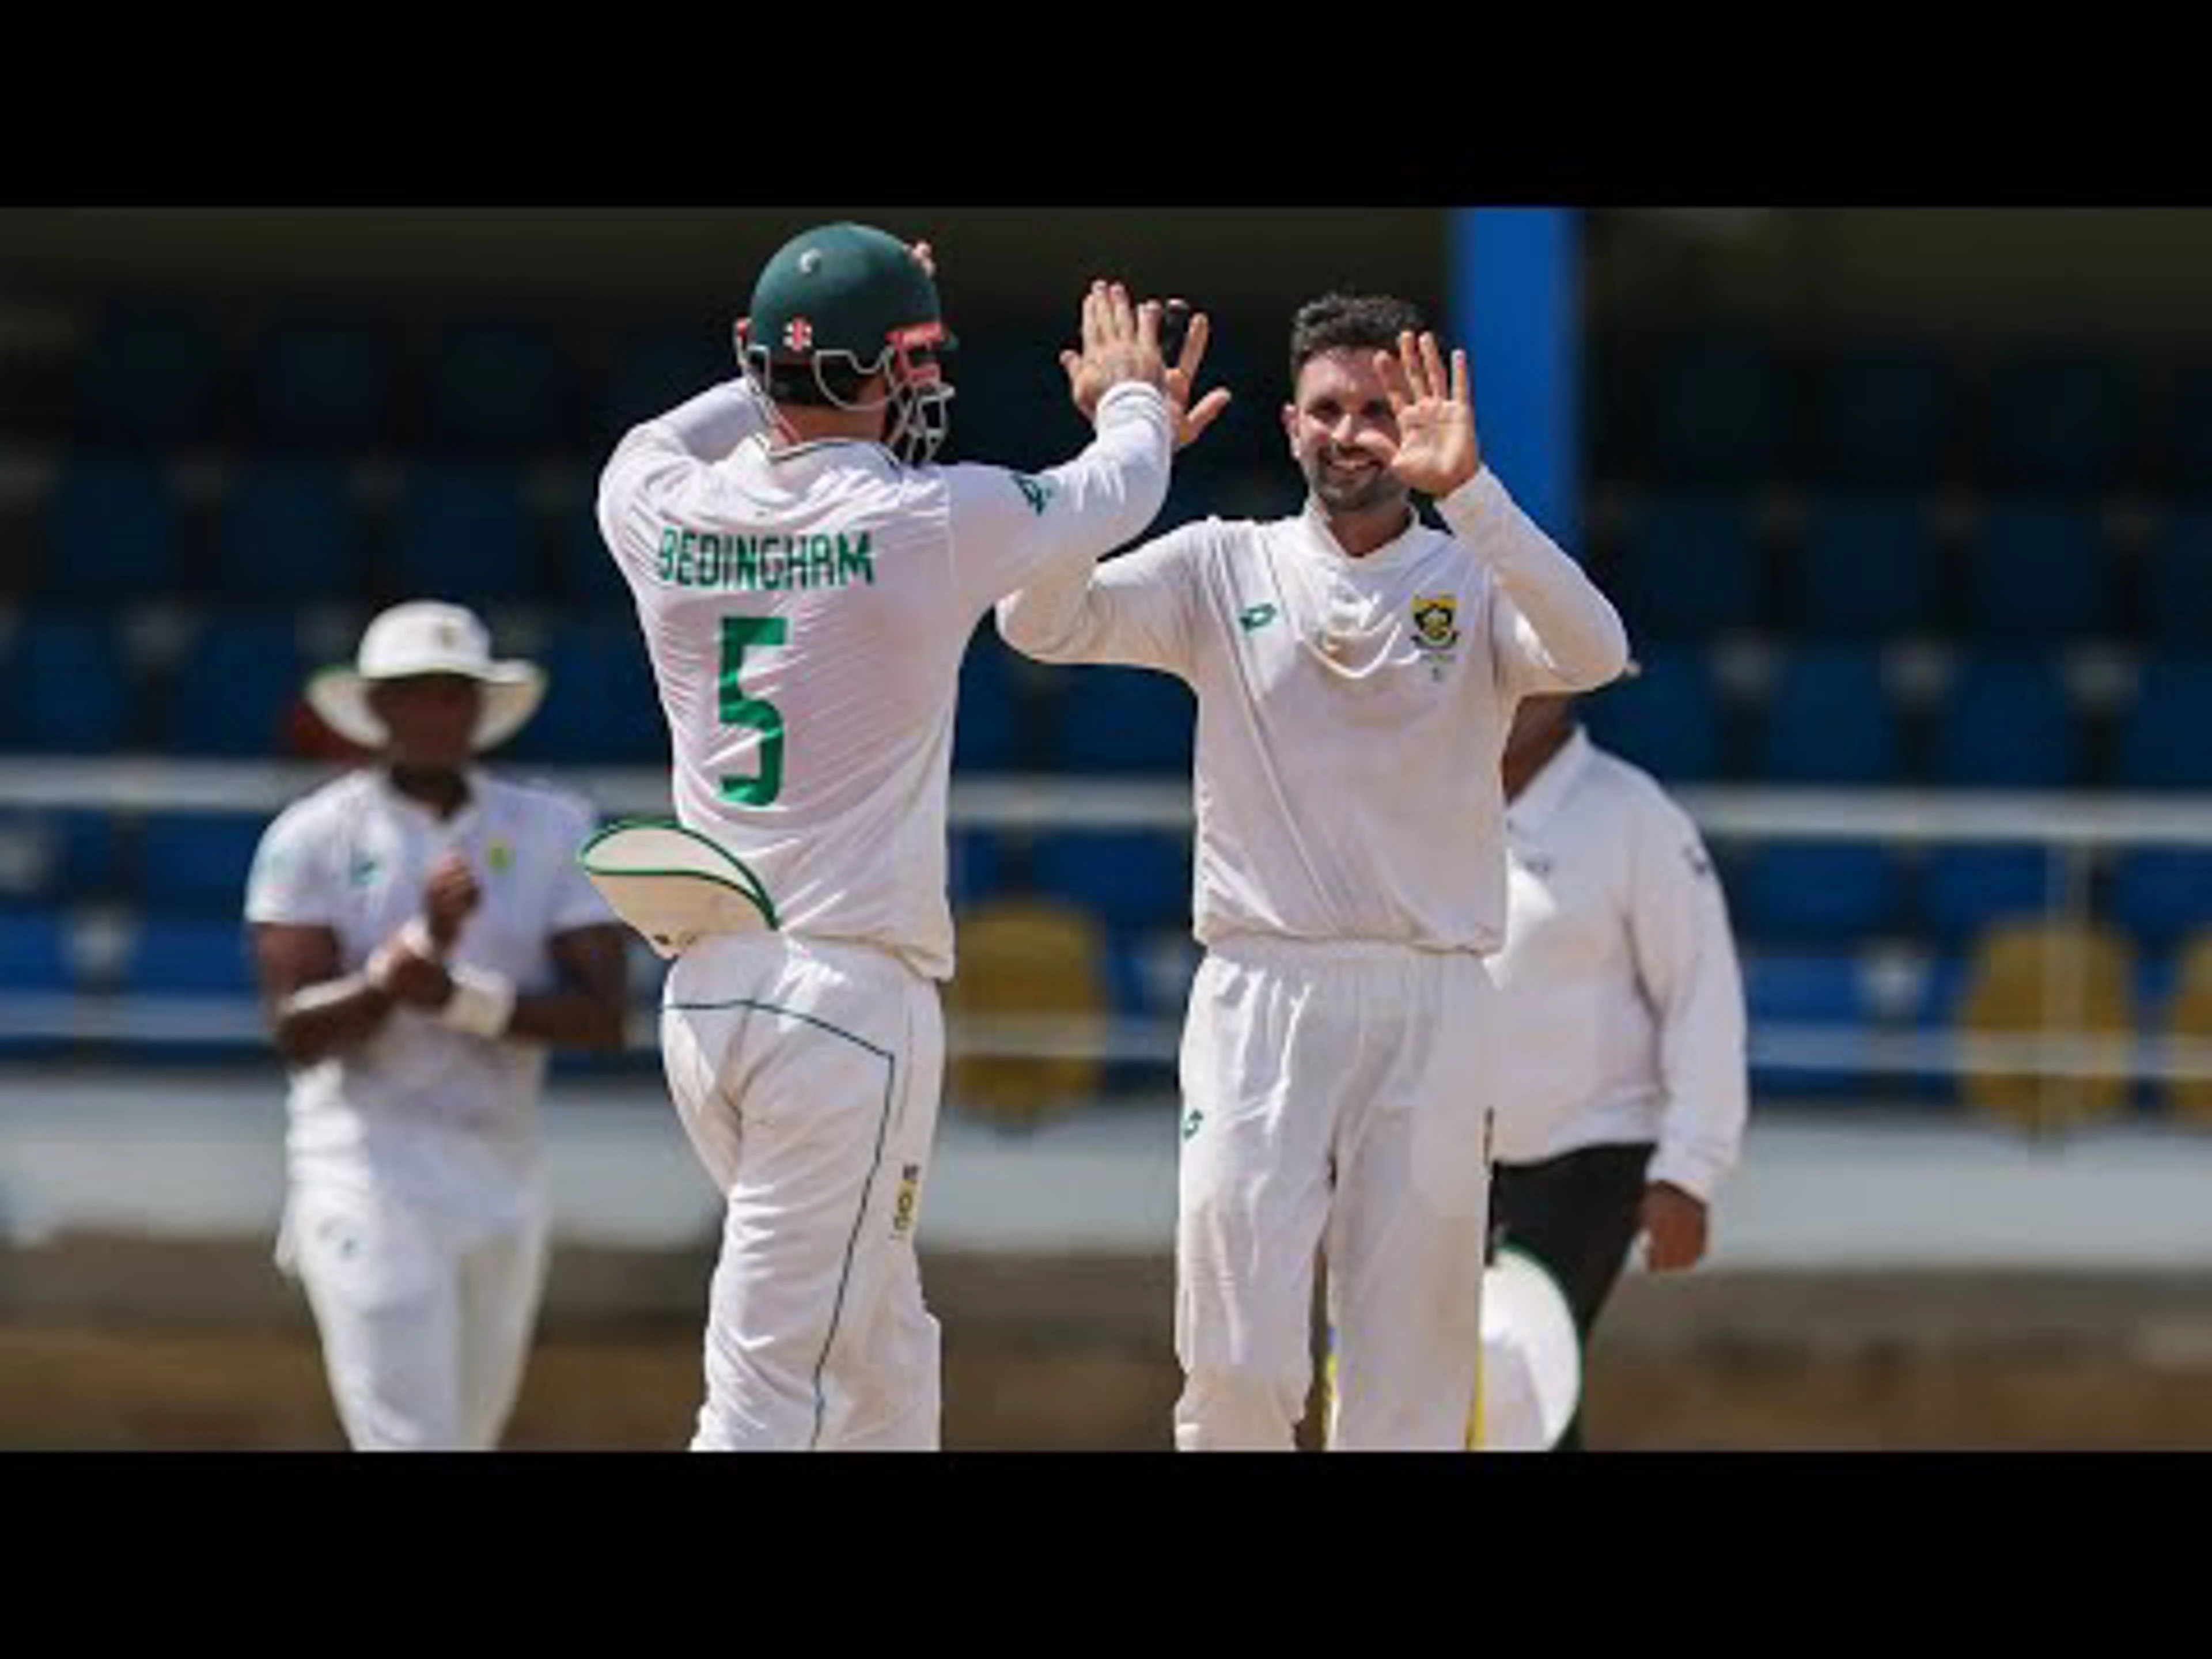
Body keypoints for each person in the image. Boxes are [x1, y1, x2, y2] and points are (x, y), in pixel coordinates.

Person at [591, 221, 1208, 1450]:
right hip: (844, 1001)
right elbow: (1122, 488)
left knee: (880, 1348)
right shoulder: (928, 517)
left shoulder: (651, 505)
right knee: (770, 1388)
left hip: (708, 995)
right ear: (887, 376)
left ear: (750, 361)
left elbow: (673, 432)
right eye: (910, 366)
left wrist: (805, 350)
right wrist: (1133, 394)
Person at [997, 291, 1632, 1450]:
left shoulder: (1474, 576)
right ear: (1292, 426)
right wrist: (1116, 456)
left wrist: (1473, 495)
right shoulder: (1217, 566)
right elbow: (1034, 622)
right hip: (1261, 990)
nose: (1354, 434)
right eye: (1330, 410)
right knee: (1236, 1361)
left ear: (1419, 424)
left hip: (1432, 998)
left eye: (1380, 411)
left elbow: (1595, 649)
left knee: (1410, 1380)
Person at [244, 600, 631, 1451]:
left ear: (480, 706)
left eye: (452, 693)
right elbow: (295, 1031)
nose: (434, 713)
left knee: (469, 1431)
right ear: (376, 706)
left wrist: (455, 993)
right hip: (364, 1162)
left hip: (502, 1164)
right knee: (410, 1438)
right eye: (413, 693)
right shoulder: (312, 835)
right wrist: (406, 963)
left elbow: (606, 1016)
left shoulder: (553, 824)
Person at [1484, 688, 1749, 1449]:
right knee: (1436, 1382)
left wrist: (1687, 1173)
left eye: (1540, 667)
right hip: (1441, 1156)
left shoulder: (1634, 816)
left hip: (1588, 1156)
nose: (1513, 686)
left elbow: (1702, 994)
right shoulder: (1423, 792)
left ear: (1572, 680)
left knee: (1525, 1376)